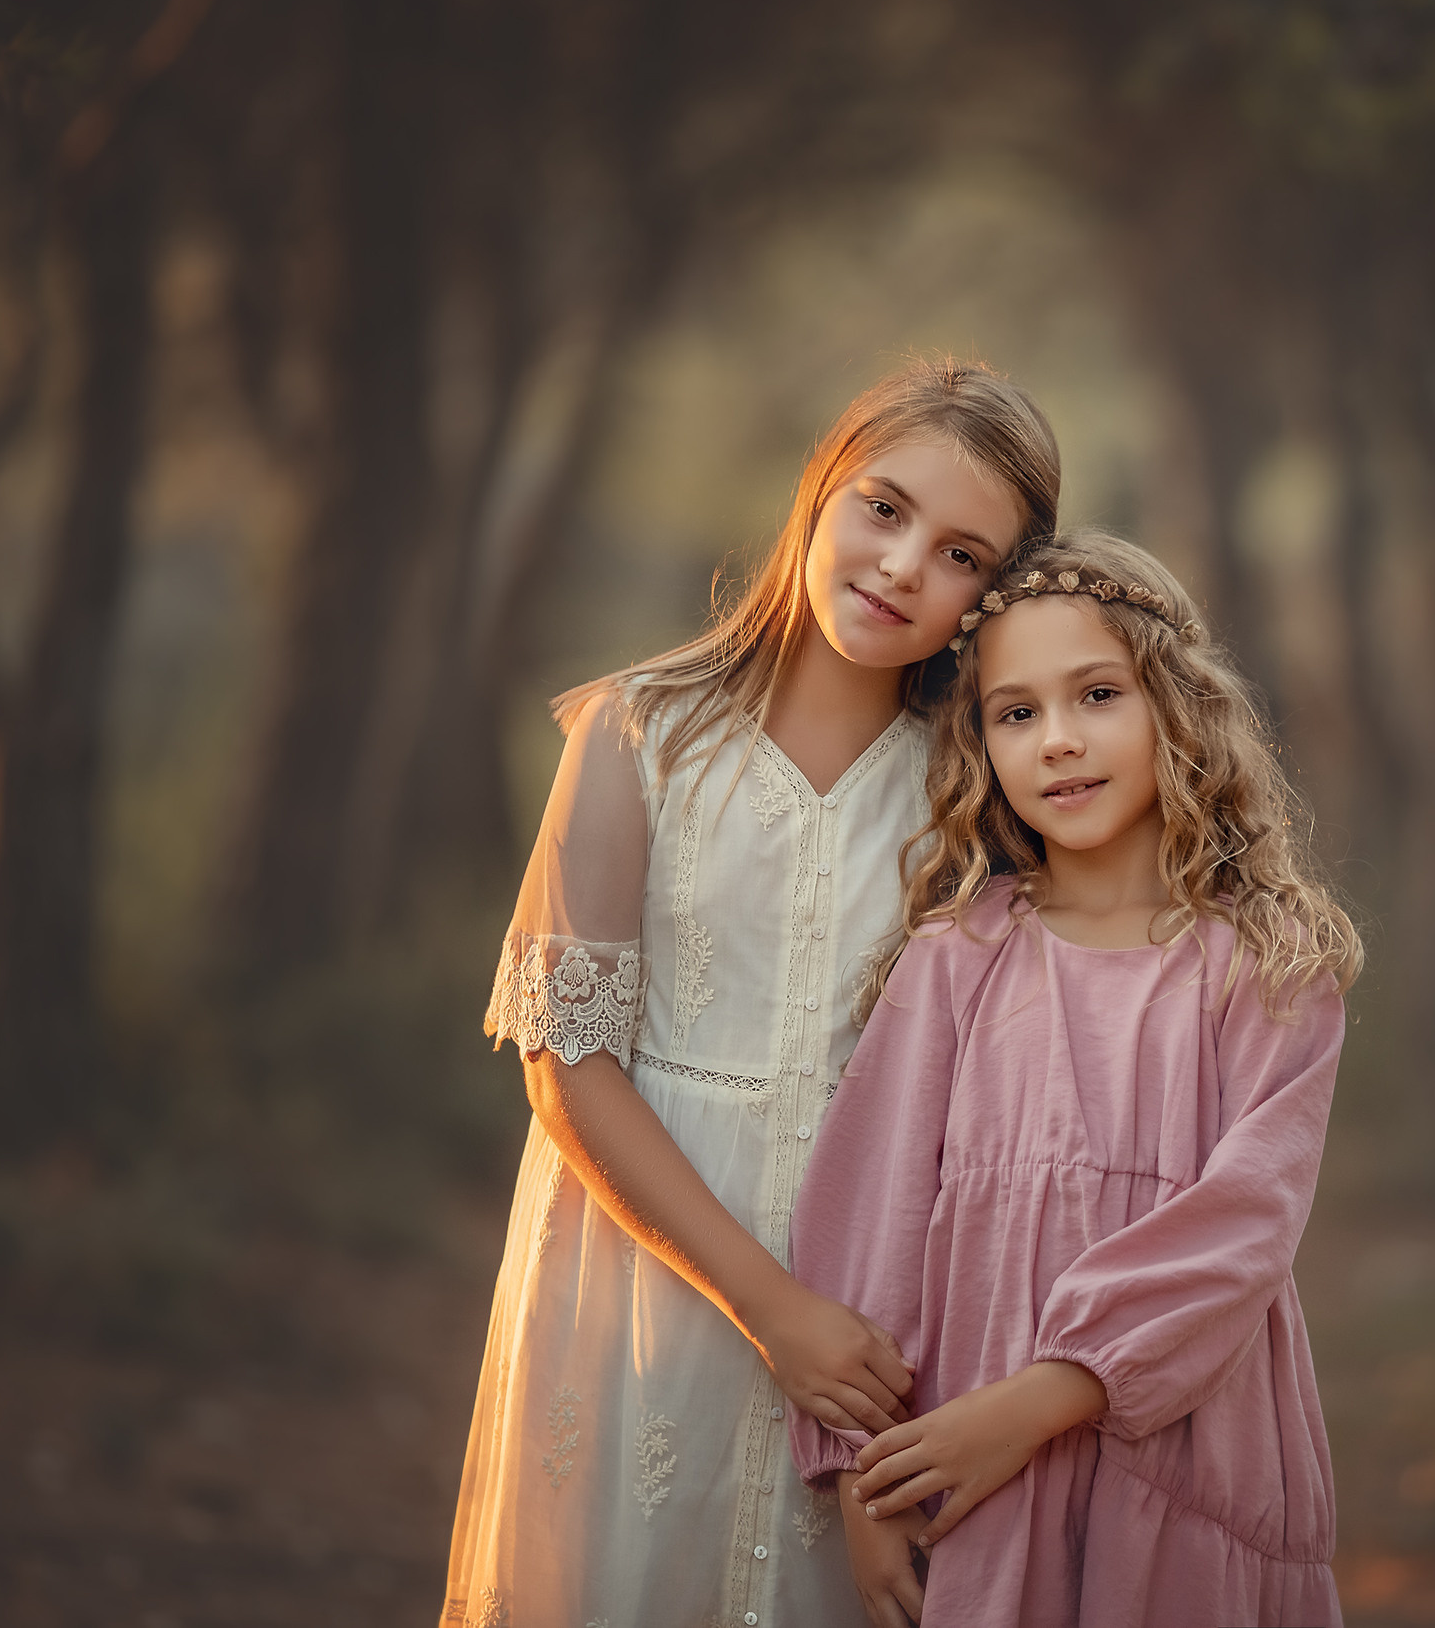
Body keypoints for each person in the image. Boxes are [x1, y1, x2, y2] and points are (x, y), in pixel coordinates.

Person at [444, 358, 1062, 1628]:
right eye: (882, 509)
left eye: (956, 554)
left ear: (986, 600)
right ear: (819, 493)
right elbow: (568, 1067)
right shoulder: (637, 734)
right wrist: (768, 1308)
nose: (899, 566)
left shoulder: (974, 796)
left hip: (878, 1303)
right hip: (643, 1276)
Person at [788, 532, 1364, 1627]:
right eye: (1015, 713)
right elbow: (868, 1221)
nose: (1057, 741)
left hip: (1186, 1462)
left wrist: (1043, 1400)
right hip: (973, 1471)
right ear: (980, 744)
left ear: (1176, 709)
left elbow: (1246, 1225)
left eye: (1096, 695)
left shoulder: (1268, 967)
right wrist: (871, 1476)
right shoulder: (956, 959)